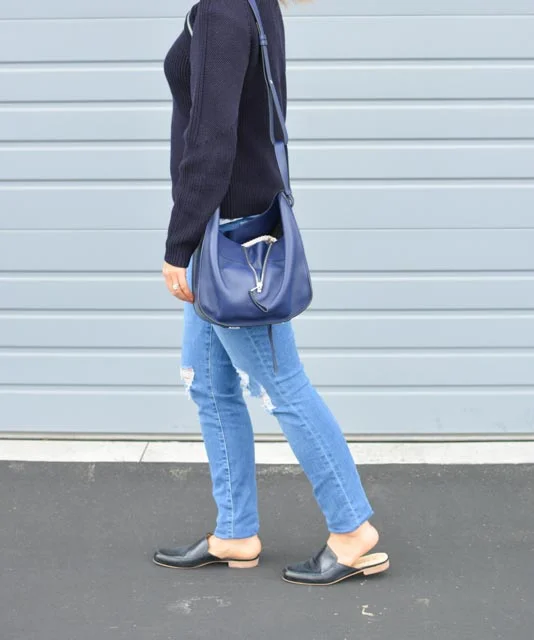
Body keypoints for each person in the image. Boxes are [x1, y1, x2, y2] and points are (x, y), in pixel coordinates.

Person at [154, 0, 389, 586]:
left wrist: (179, 241)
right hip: (225, 229)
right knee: (209, 384)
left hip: (231, 242)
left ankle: (353, 530)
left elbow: (213, 138)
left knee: (283, 386)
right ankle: (236, 532)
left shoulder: (224, 10)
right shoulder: (250, 5)